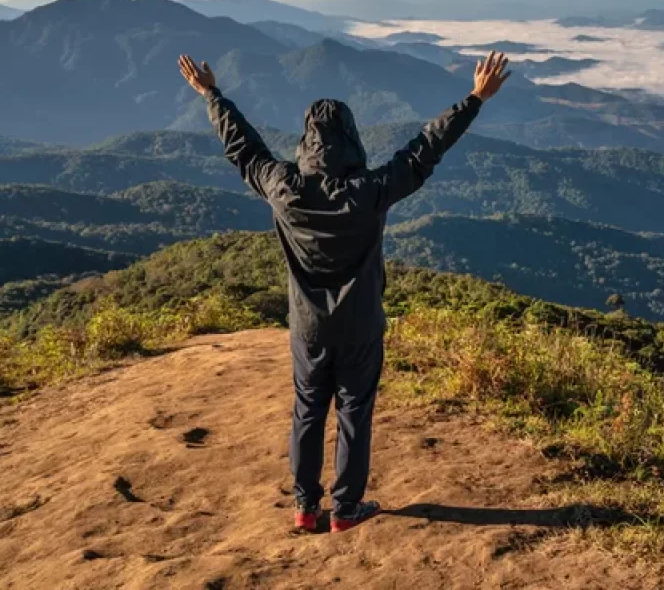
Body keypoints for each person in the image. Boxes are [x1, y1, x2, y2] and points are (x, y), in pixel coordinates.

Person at [177, 50, 511, 533]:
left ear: (306, 141)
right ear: (352, 139)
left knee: (308, 410)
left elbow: (244, 150)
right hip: (360, 325)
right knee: (355, 410)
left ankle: (305, 506)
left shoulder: (282, 187)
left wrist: (212, 95)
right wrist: (476, 98)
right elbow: (424, 149)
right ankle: (347, 507)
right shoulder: (370, 190)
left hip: (308, 327)